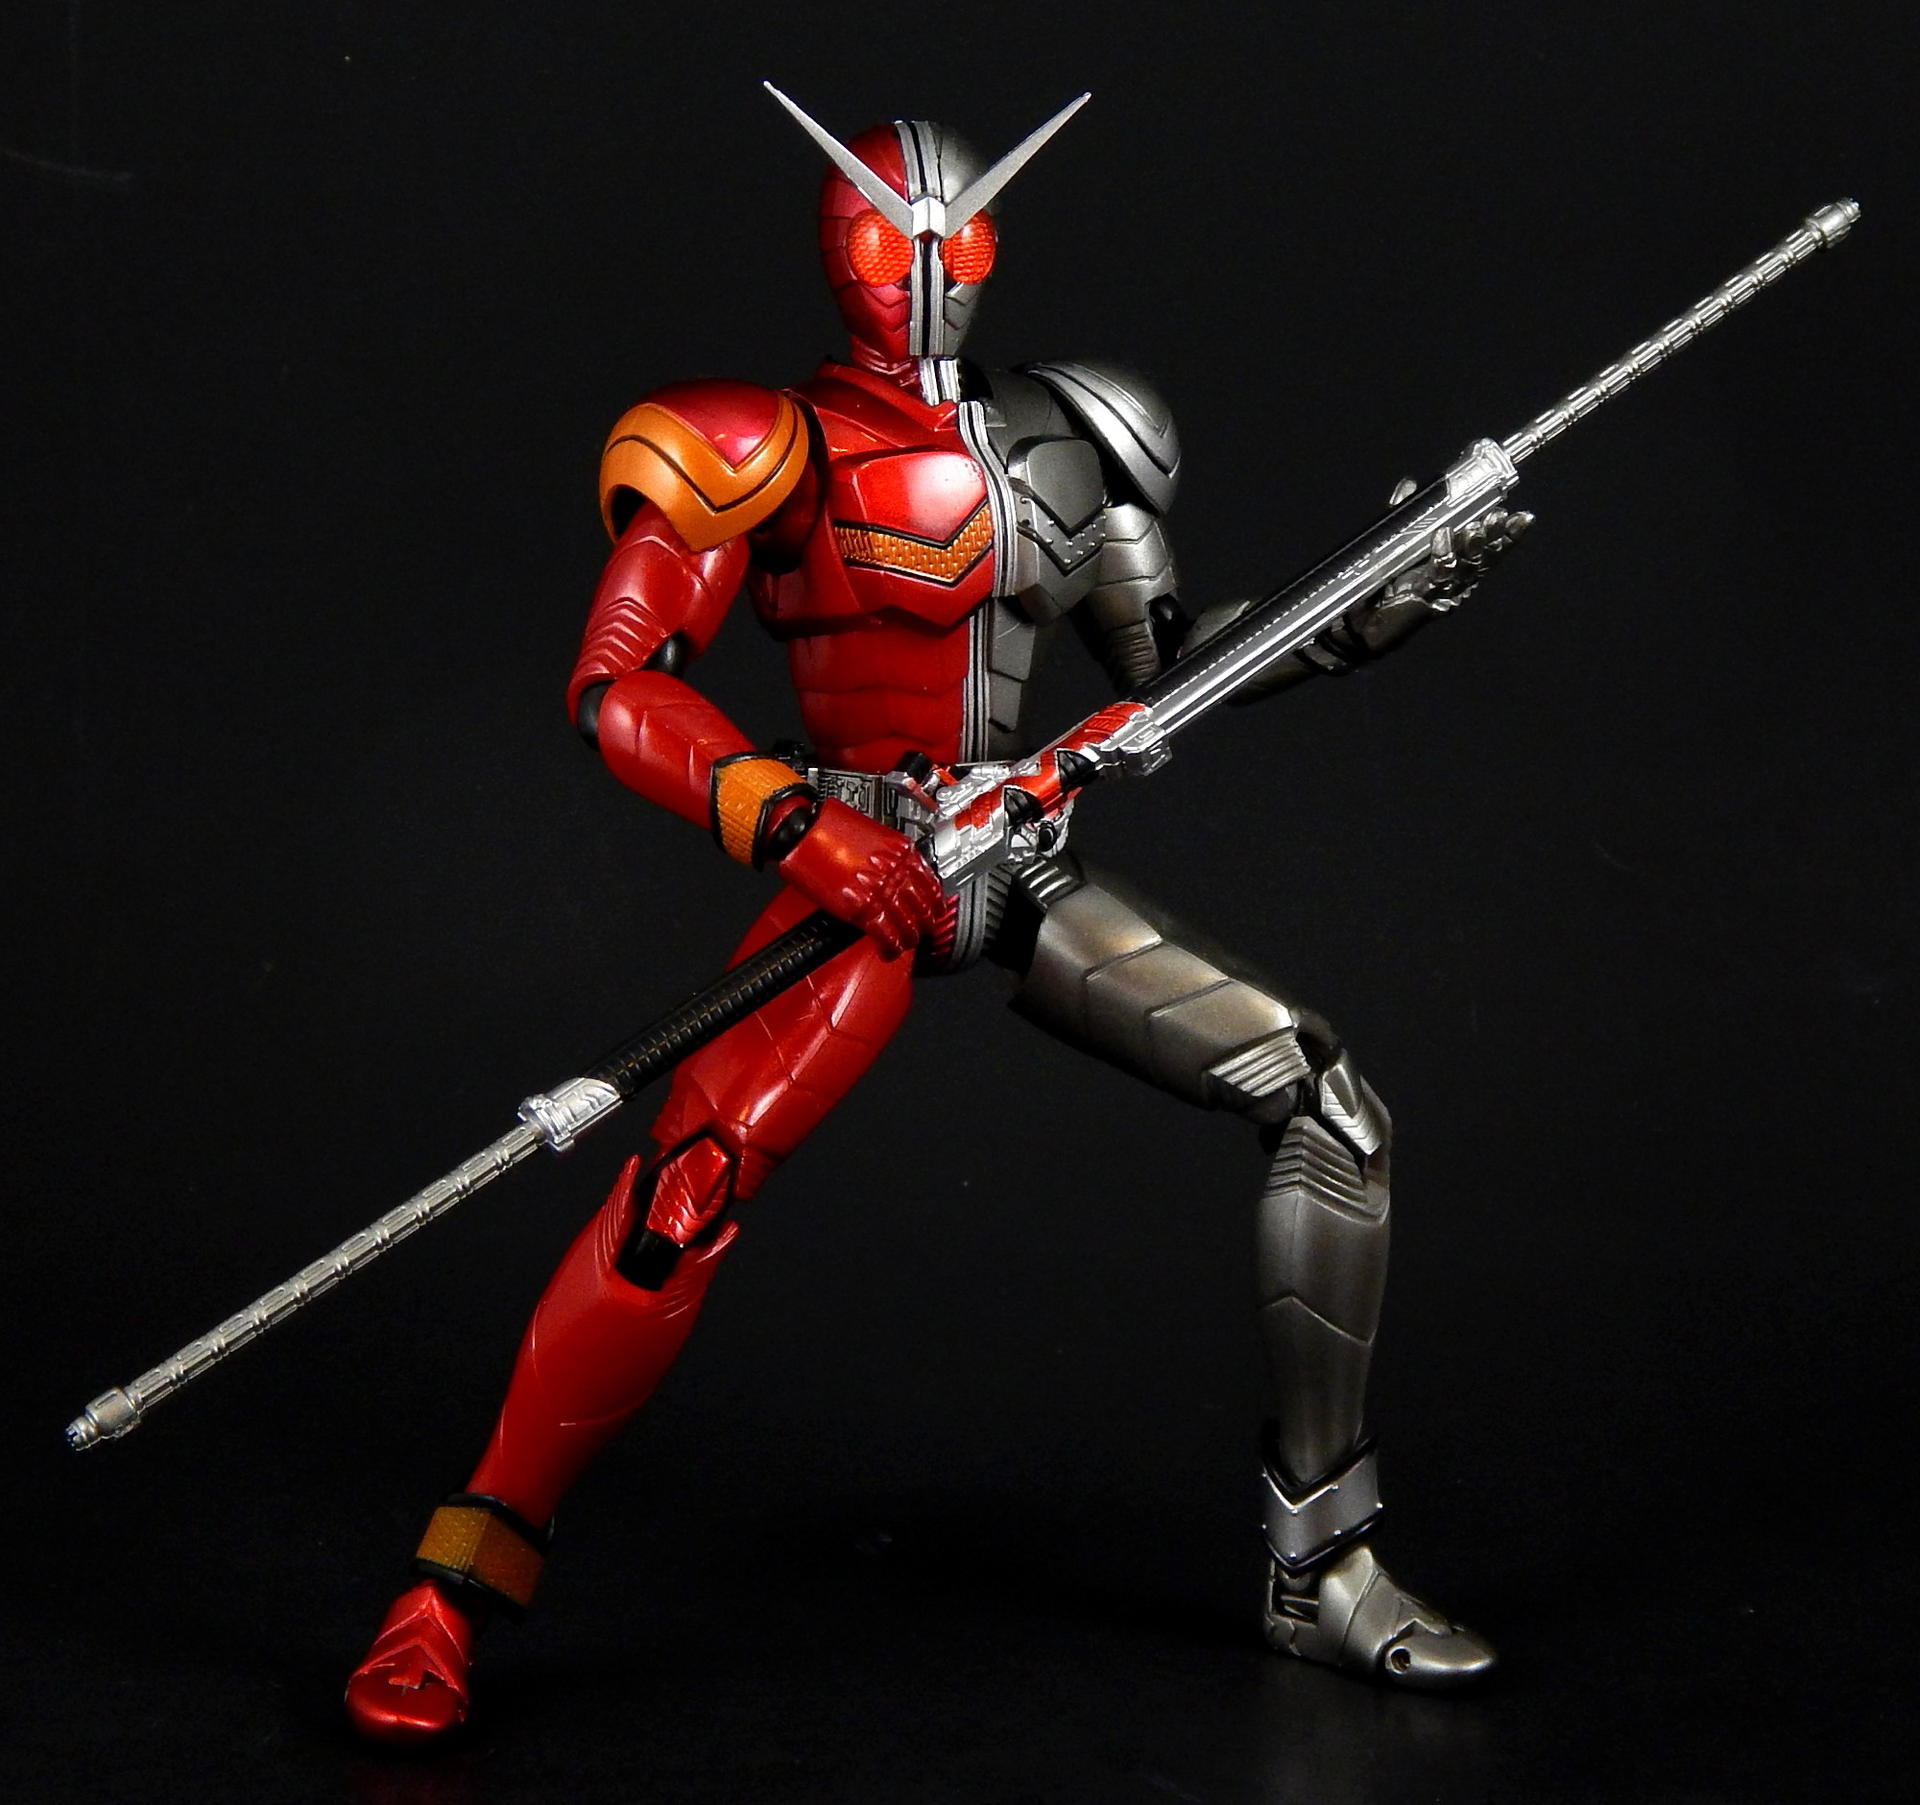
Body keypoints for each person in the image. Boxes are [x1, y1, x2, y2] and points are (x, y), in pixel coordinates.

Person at [345, 89, 1521, 1744]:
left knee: (1326, 1103)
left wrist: (1365, 603)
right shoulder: (761, 445)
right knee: (676, 1197)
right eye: (887, 240)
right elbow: (618, 689)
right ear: (835, 249)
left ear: (991, 249)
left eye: (953, 241)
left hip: (1019, 864)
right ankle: (451, 1588)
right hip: (863, 871)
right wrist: (799, 822)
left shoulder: (1074, 438)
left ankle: (1319, 1566)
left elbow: (1171, 666)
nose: (920, 269)